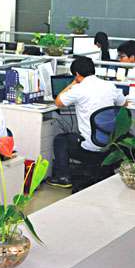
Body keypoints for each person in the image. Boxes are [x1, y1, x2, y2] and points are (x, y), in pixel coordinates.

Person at [48, 56, 126, 188]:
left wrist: (73, 83)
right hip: (110, 143)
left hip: (89, 146)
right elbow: (124, 104)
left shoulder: (79, 89)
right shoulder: (110, 85)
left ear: (77, 74)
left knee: (60, 139)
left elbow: (58, 102)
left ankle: (63, 177)